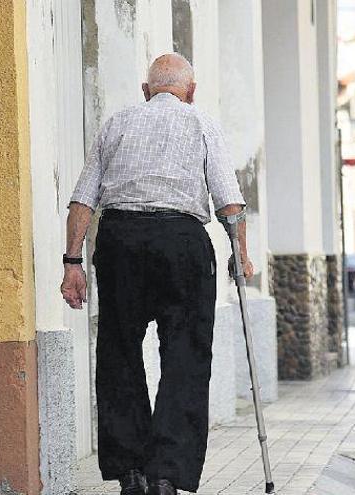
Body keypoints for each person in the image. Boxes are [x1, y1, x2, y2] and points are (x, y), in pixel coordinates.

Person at [60, 53, 253, 495]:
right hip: (182, 243)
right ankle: (166, 474)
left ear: (146, 92)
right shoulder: (201, 122)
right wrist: (239, 254)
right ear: (191, 92)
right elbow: (229, 201)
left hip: (121, 241)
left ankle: (130, 472)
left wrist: (72, 264)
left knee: (118, 353)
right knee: (186, 357)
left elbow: (82, 199)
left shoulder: (118, 123)